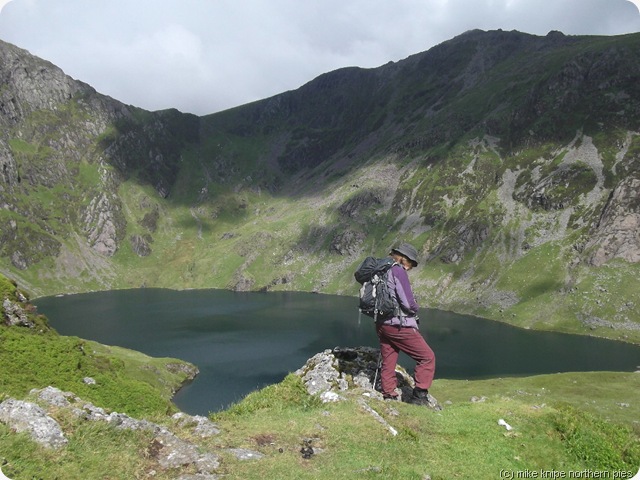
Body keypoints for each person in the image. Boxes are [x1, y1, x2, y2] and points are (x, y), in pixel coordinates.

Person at [376, 243, 436, 406]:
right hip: (399, 325)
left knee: (389, 357)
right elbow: (408, 303)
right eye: (411, 263)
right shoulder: (398, 271)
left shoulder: (381, 268)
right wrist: (416, 306)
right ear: (403, 258)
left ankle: (388, 393)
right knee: (427, 357)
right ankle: (419, 396)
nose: (410, 268)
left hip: (382, 323)